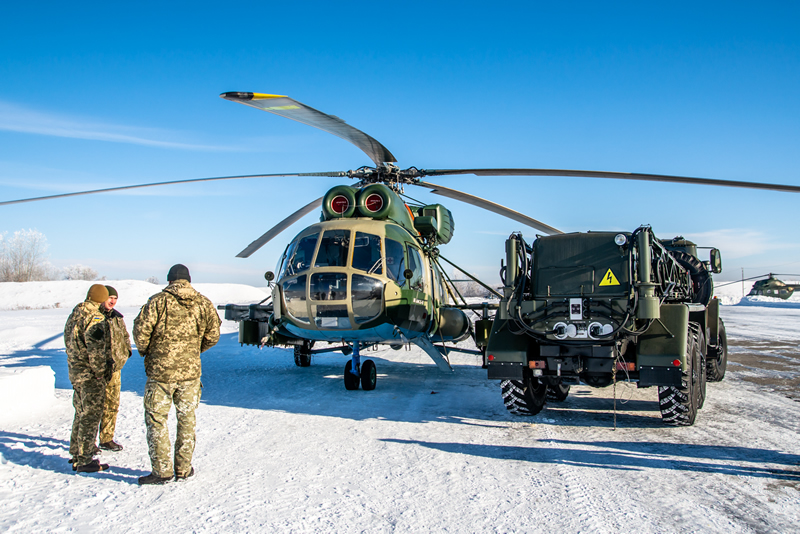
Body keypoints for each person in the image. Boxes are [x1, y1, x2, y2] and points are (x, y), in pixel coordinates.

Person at [133, 264, 220, 485]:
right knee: (187, 420)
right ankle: (183, 468)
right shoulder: (203, 302)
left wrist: (150, 352)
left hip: (161, 374)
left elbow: (141, 332)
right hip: (190, 374)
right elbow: (214, 334)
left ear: (170, 280)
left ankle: (161, 471)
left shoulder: (157, 301)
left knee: (157, 421)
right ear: (188, 280)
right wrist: (193, 351)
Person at [64, 283, 112, 473]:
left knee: (81, 411)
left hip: (75, 371)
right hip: (90, 374)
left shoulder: (75, 314)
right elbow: (96, 349)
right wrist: (101, 372)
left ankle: (76, 452)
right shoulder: (95, 317)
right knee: (91, 415)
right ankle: (85, 459)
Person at [98, 285, 132, 452]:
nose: (112, 301)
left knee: (112, 404)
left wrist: (125, 354)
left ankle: (106, 438)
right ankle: (87, 442)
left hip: (115, 369)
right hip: (97, 370)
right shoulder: (94, 317)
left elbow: (125, 336)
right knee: (94, 406)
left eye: (115, 298)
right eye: (109, 297)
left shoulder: (117, 317)